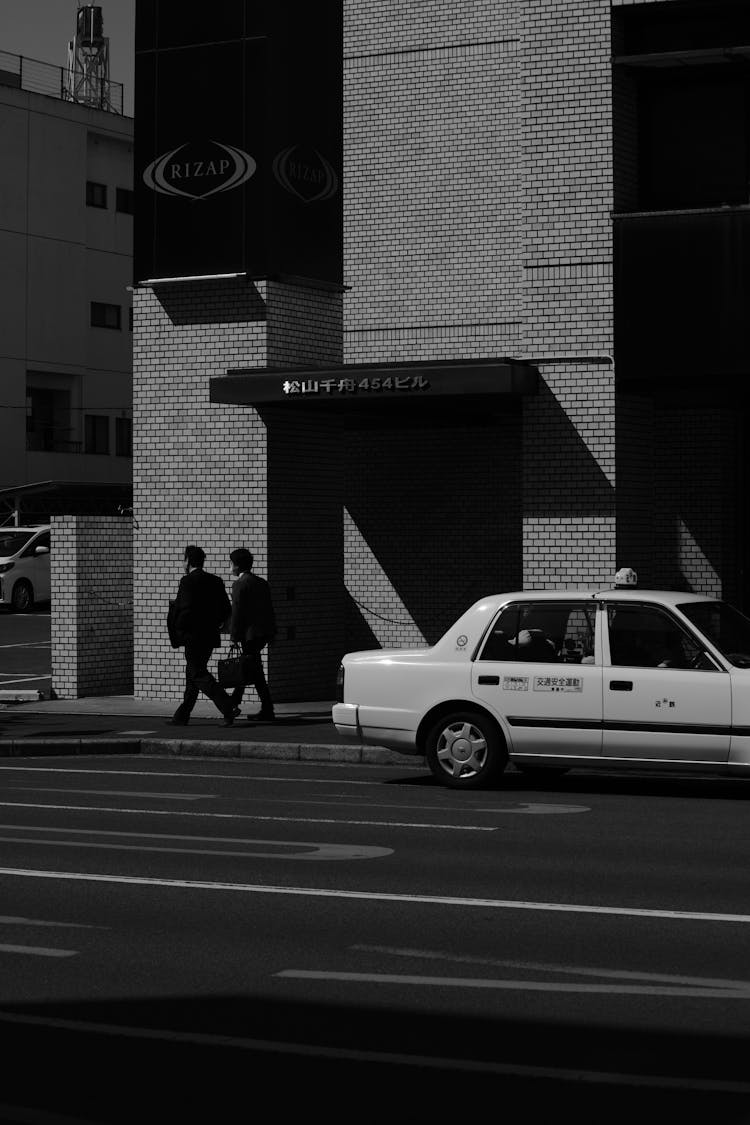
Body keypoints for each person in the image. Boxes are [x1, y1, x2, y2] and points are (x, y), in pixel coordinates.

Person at [168, 545, 236, 726]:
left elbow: (185, 608)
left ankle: (228, 705)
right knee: (193, 673)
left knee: (198, 673)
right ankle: (182, 715)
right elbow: (226, 608)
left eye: (184, 559)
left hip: (192, 636)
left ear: (188, 561)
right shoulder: (216, 581)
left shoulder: (187, 581)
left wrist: (179, 629)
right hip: (210, 635)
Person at [228, 548, 277, 721]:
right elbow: (269, 610)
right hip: (262, 633)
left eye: (231, 564)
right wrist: (272, 633)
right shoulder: (261, 582)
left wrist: (234, 637)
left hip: (248, 635)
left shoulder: (240, 584)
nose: (230, 568)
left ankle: (263, 708)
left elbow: (237, 613)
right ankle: (238, 700)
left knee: (253, 669)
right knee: (252, 668)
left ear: (237, 565)